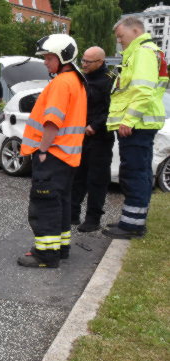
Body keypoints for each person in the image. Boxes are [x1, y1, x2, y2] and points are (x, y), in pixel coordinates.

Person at [17, 34, 87, 269]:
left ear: (63, 56)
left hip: (53, 154)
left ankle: (46, 255)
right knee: (61, 202)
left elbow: (52, 122)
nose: (45, 62)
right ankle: (60, 248)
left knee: (44, 203)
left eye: (48, 57)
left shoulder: (61, 83)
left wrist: (43, 150)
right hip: (67, 157)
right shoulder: (76, 80)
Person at [102, 16, 168, 239]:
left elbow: (142, 90)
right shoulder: (144, 52)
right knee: (136, 171)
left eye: (121, 36)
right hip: (139, 123)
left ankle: (132, 226)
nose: (119, 41)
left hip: (137, 124)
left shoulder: (142, 53)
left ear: (136, 30)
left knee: (134, 173)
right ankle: (131, 221)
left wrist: (128, 120)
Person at [70, 46, 114, 232]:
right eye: (83, 60)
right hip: (80, 136)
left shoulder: (110, 82)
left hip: (101, 138)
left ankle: (93, 219)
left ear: (101, 62)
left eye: (88, 62)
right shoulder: (82, 78)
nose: (84, 64)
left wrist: (95, 125)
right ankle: (72, 213)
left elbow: (113, 109)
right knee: (77, 176)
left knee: (97, 180)